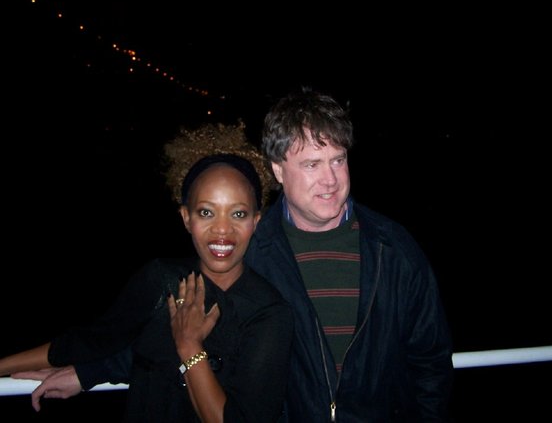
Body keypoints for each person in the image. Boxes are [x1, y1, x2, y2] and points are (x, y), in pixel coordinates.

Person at [12, 88, 453, 421]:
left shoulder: (393, 249)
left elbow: (430, 362)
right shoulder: (249, 247)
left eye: (338, 160)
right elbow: (188, 327)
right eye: (312, 164)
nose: (331, 179)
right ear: (278, 170)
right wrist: (89, 373)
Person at [0, 150, 294, 423]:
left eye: (238, 213)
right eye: (206, 212)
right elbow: (91, 341)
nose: (222, 229)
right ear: (186, 218)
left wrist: (189, 345)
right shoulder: (162, 281)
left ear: (256, 221)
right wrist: (82, 372)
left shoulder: (270, 313)